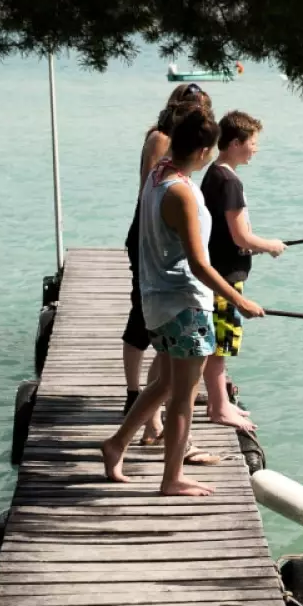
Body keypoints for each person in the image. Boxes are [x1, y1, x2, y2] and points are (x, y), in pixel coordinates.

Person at [102, 108, 264, 496]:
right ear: (206, 150)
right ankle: (171, 478)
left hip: (157, 301)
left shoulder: (157, 176)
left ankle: (116, 444)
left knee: (163, 384)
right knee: (182, 399)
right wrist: (238, 301)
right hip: (185, 304)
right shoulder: (183, 193)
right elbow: (199, 263)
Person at [121, 84, 211, 436]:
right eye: (196, 111)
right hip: (151, 236)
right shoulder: (162, 140)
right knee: (143, 318)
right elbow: (151, 194)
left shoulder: (185, 154)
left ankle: (148, 421)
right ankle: (137, 399)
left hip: (166, 238)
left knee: (163, 342)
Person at [200, 111, 286, 431]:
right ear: (236, 143)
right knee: (220, 344)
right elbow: (240, 236)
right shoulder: (230, 182)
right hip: (225, 276)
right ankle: (220, 408)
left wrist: (252, 246)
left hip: (216, 268)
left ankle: (215, 402)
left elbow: (227, 233)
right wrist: (269, 245)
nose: (256, 149)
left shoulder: (213, 174)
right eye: (253, 142)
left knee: (215, 342)